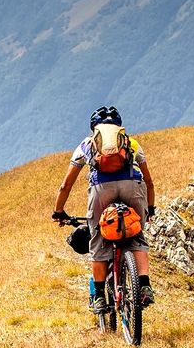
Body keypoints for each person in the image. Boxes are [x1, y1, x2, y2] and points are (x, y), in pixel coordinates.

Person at [51, 106, 156, 312]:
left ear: (94, 129)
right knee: (136, 235)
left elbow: (66, 185)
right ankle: (144, 286)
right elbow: (149, 182)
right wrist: (150, 208)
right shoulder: (131, 143)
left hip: (101, 190)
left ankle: (99, 296)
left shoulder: (86, 145)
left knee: (98, 240)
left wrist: (59, 210)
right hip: (133, 187)